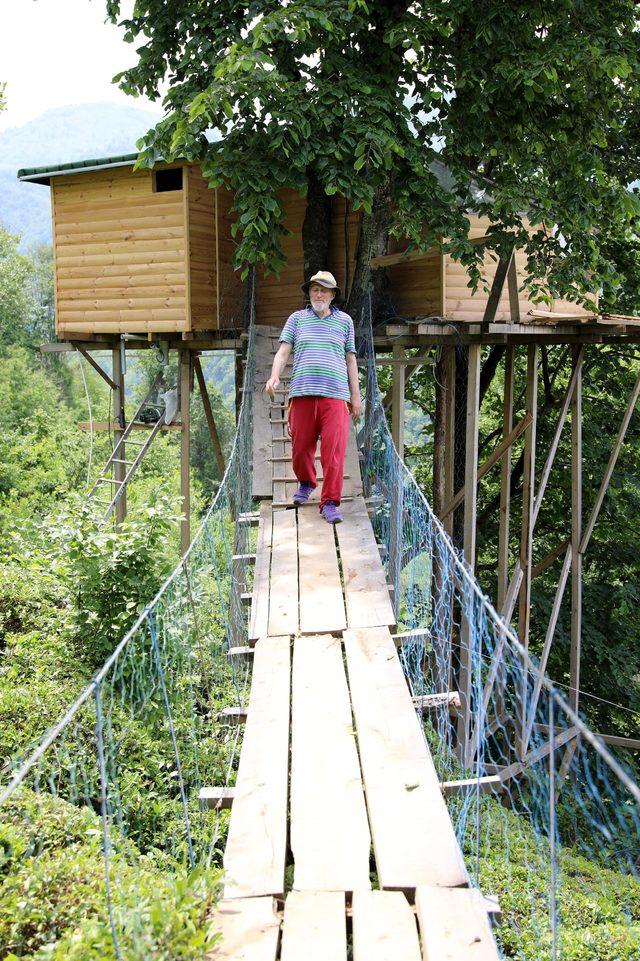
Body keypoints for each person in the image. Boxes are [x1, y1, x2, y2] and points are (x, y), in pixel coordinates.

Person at [264, 270, 362, 524]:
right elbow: (283, 352)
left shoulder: (345, 322)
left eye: (323, 290)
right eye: (314, 290)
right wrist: (274, 376)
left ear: (332, 295)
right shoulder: (296, 319)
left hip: (336, 397)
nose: (318, 294)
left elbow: (350, 359)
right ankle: (306, 482)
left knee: (334, 453)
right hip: (302, 394)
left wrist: (356, 396)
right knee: (299, 448)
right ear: (309, 293)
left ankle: (329, 502)